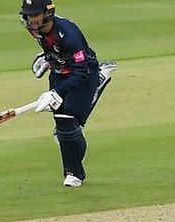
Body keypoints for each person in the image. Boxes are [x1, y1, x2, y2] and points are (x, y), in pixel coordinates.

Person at [19, 0, 115, 187]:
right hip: (59, 71)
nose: (32, 19)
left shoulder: (68, 33)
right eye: (29, 15)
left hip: (84, 73)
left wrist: (56, 91)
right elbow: (49, 45)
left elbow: (80, 69)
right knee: (62, 129)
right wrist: (47, 59)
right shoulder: (34, 29)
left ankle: (74, 174)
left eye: (35, 14)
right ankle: (73, 142)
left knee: (67, 120)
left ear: (47, 13)